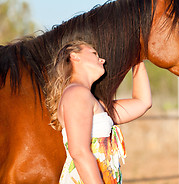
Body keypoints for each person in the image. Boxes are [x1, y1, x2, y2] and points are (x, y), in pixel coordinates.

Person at [45, 40, 152, 184]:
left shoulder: (92, 101)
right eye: (94, 53)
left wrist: (137, 59)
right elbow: (79, 152)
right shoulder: (76, 93)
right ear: (75, 56)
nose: (102, 59)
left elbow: (143, 102)